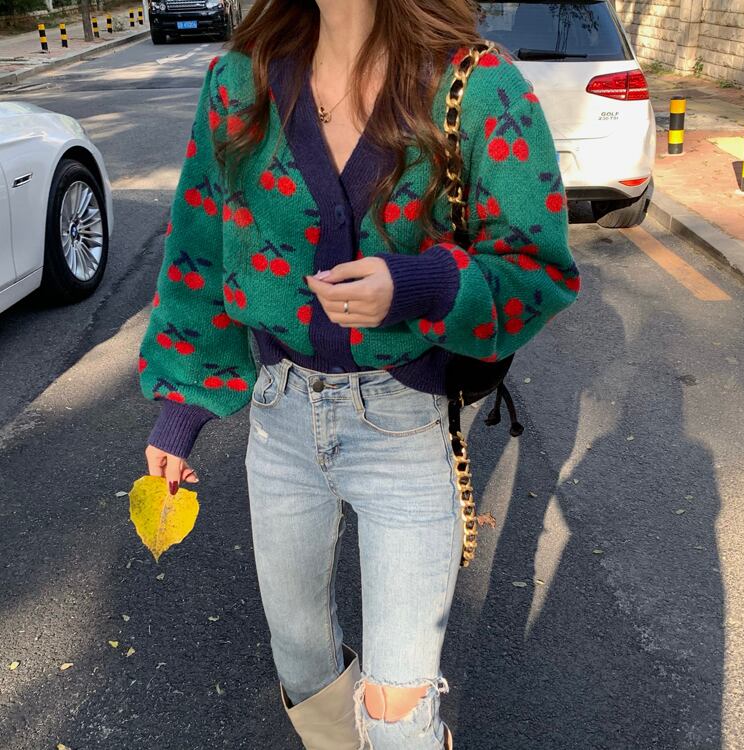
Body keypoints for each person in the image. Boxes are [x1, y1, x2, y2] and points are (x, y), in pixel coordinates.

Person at [138, 0, 579, 747]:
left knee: (397, 714)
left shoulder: (480, 87)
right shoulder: (238, 84)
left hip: (404, 428)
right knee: (303, 664)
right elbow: (199, 250)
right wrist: (181, 409)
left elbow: (538, 269)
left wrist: (418, 286)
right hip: (280, 421)